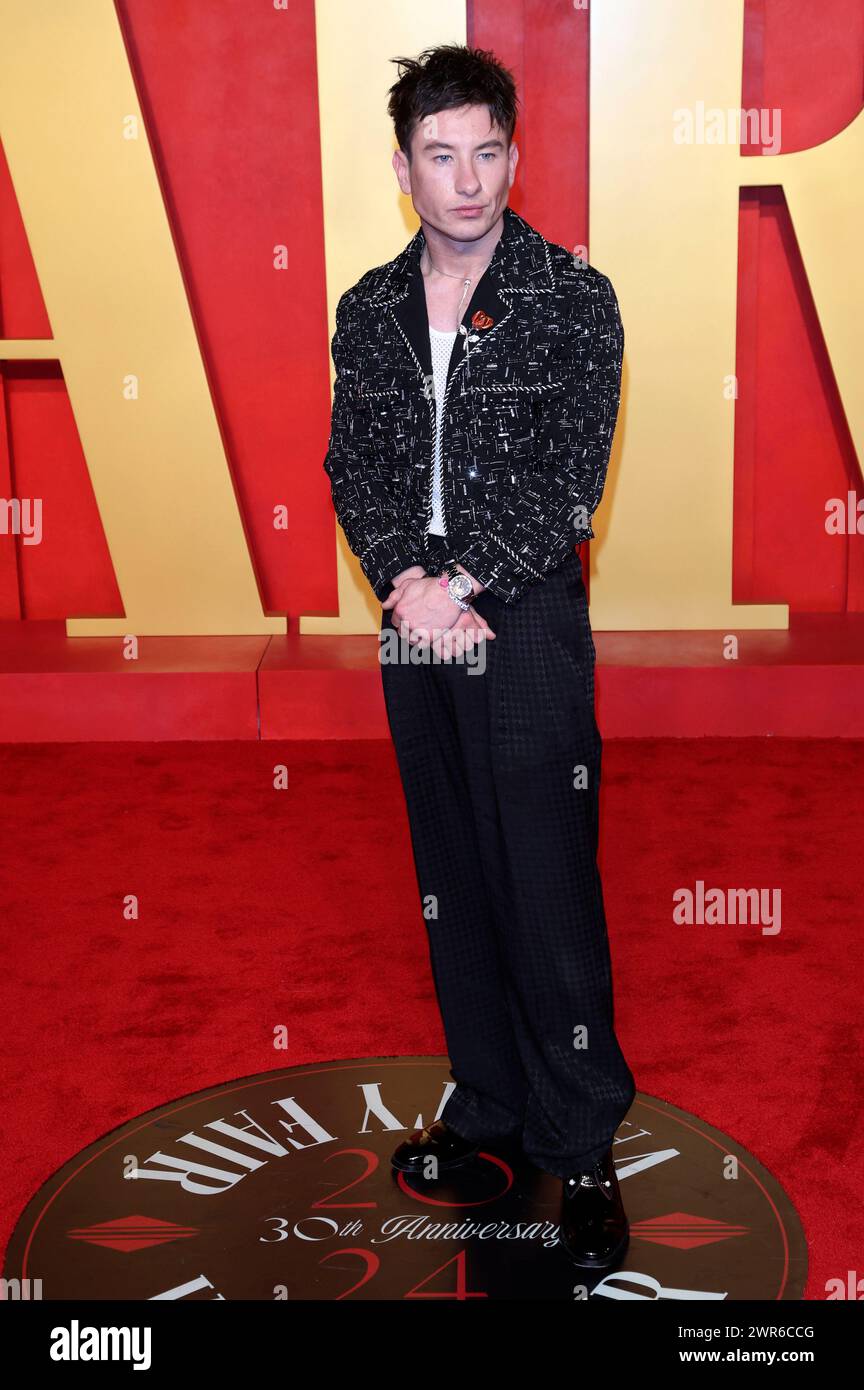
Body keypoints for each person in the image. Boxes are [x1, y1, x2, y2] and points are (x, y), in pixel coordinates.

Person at [323, 43, 634, 1272]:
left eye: (487, 152)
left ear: (516, 154)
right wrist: (406, 575)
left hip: (527, 615)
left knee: (548, 882)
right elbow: (355, 464)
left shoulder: (574, 296)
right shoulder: (368, 308)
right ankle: (492, 1104)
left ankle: (586, 1141)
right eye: (440, 156)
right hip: (415, 619)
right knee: (452, 868)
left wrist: (460, 581)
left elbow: (571, 483)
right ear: (404, 171)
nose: (467, 180)